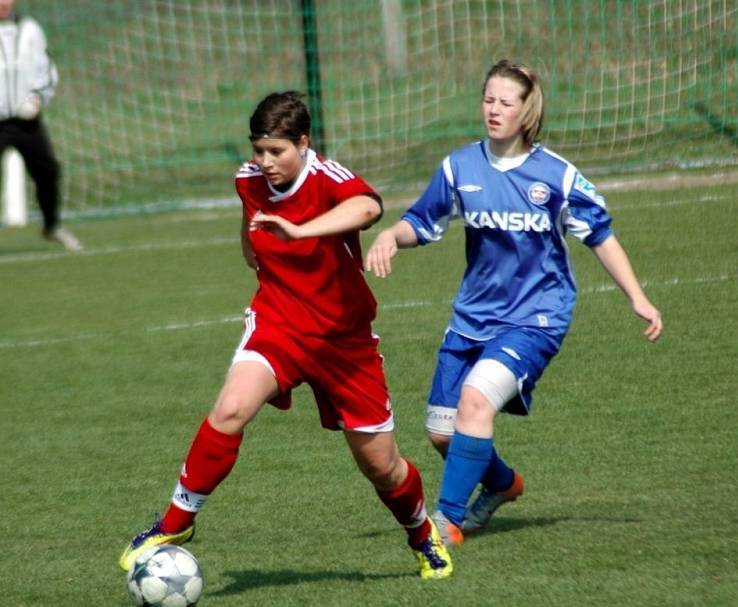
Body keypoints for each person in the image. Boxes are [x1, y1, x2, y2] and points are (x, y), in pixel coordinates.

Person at [119, 91, 452, 580]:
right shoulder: (248, 180)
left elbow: (367, 207)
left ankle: (423, 534)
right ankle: (175, 522)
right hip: (279, 323)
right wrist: (252, 244)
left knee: (382, 467)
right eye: (259, 151)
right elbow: (249, 225)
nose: (266, 162)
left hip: (344, 340)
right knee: (231, 408)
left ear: (304, 142)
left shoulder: (327, 177)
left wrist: (299, 232)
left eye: (277, 151)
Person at [366, 59, 663, 546]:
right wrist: (390, 237)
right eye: (488, 99)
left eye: (506, 102)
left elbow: (600, 237)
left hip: (536, 318)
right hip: (473, 317)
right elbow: (422, 220)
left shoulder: (557, 177)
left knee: (475, 403)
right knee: (443, 434)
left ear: (527, 111)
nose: (494, 109)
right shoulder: (460, 167)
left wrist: (639, 298)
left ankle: (447, 520)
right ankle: (502, 484)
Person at [0, 0, 81, 250]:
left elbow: (45, 69)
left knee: (47, 170)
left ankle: (52, 225)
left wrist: (37, 97)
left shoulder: (30, 29)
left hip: (27, 121)